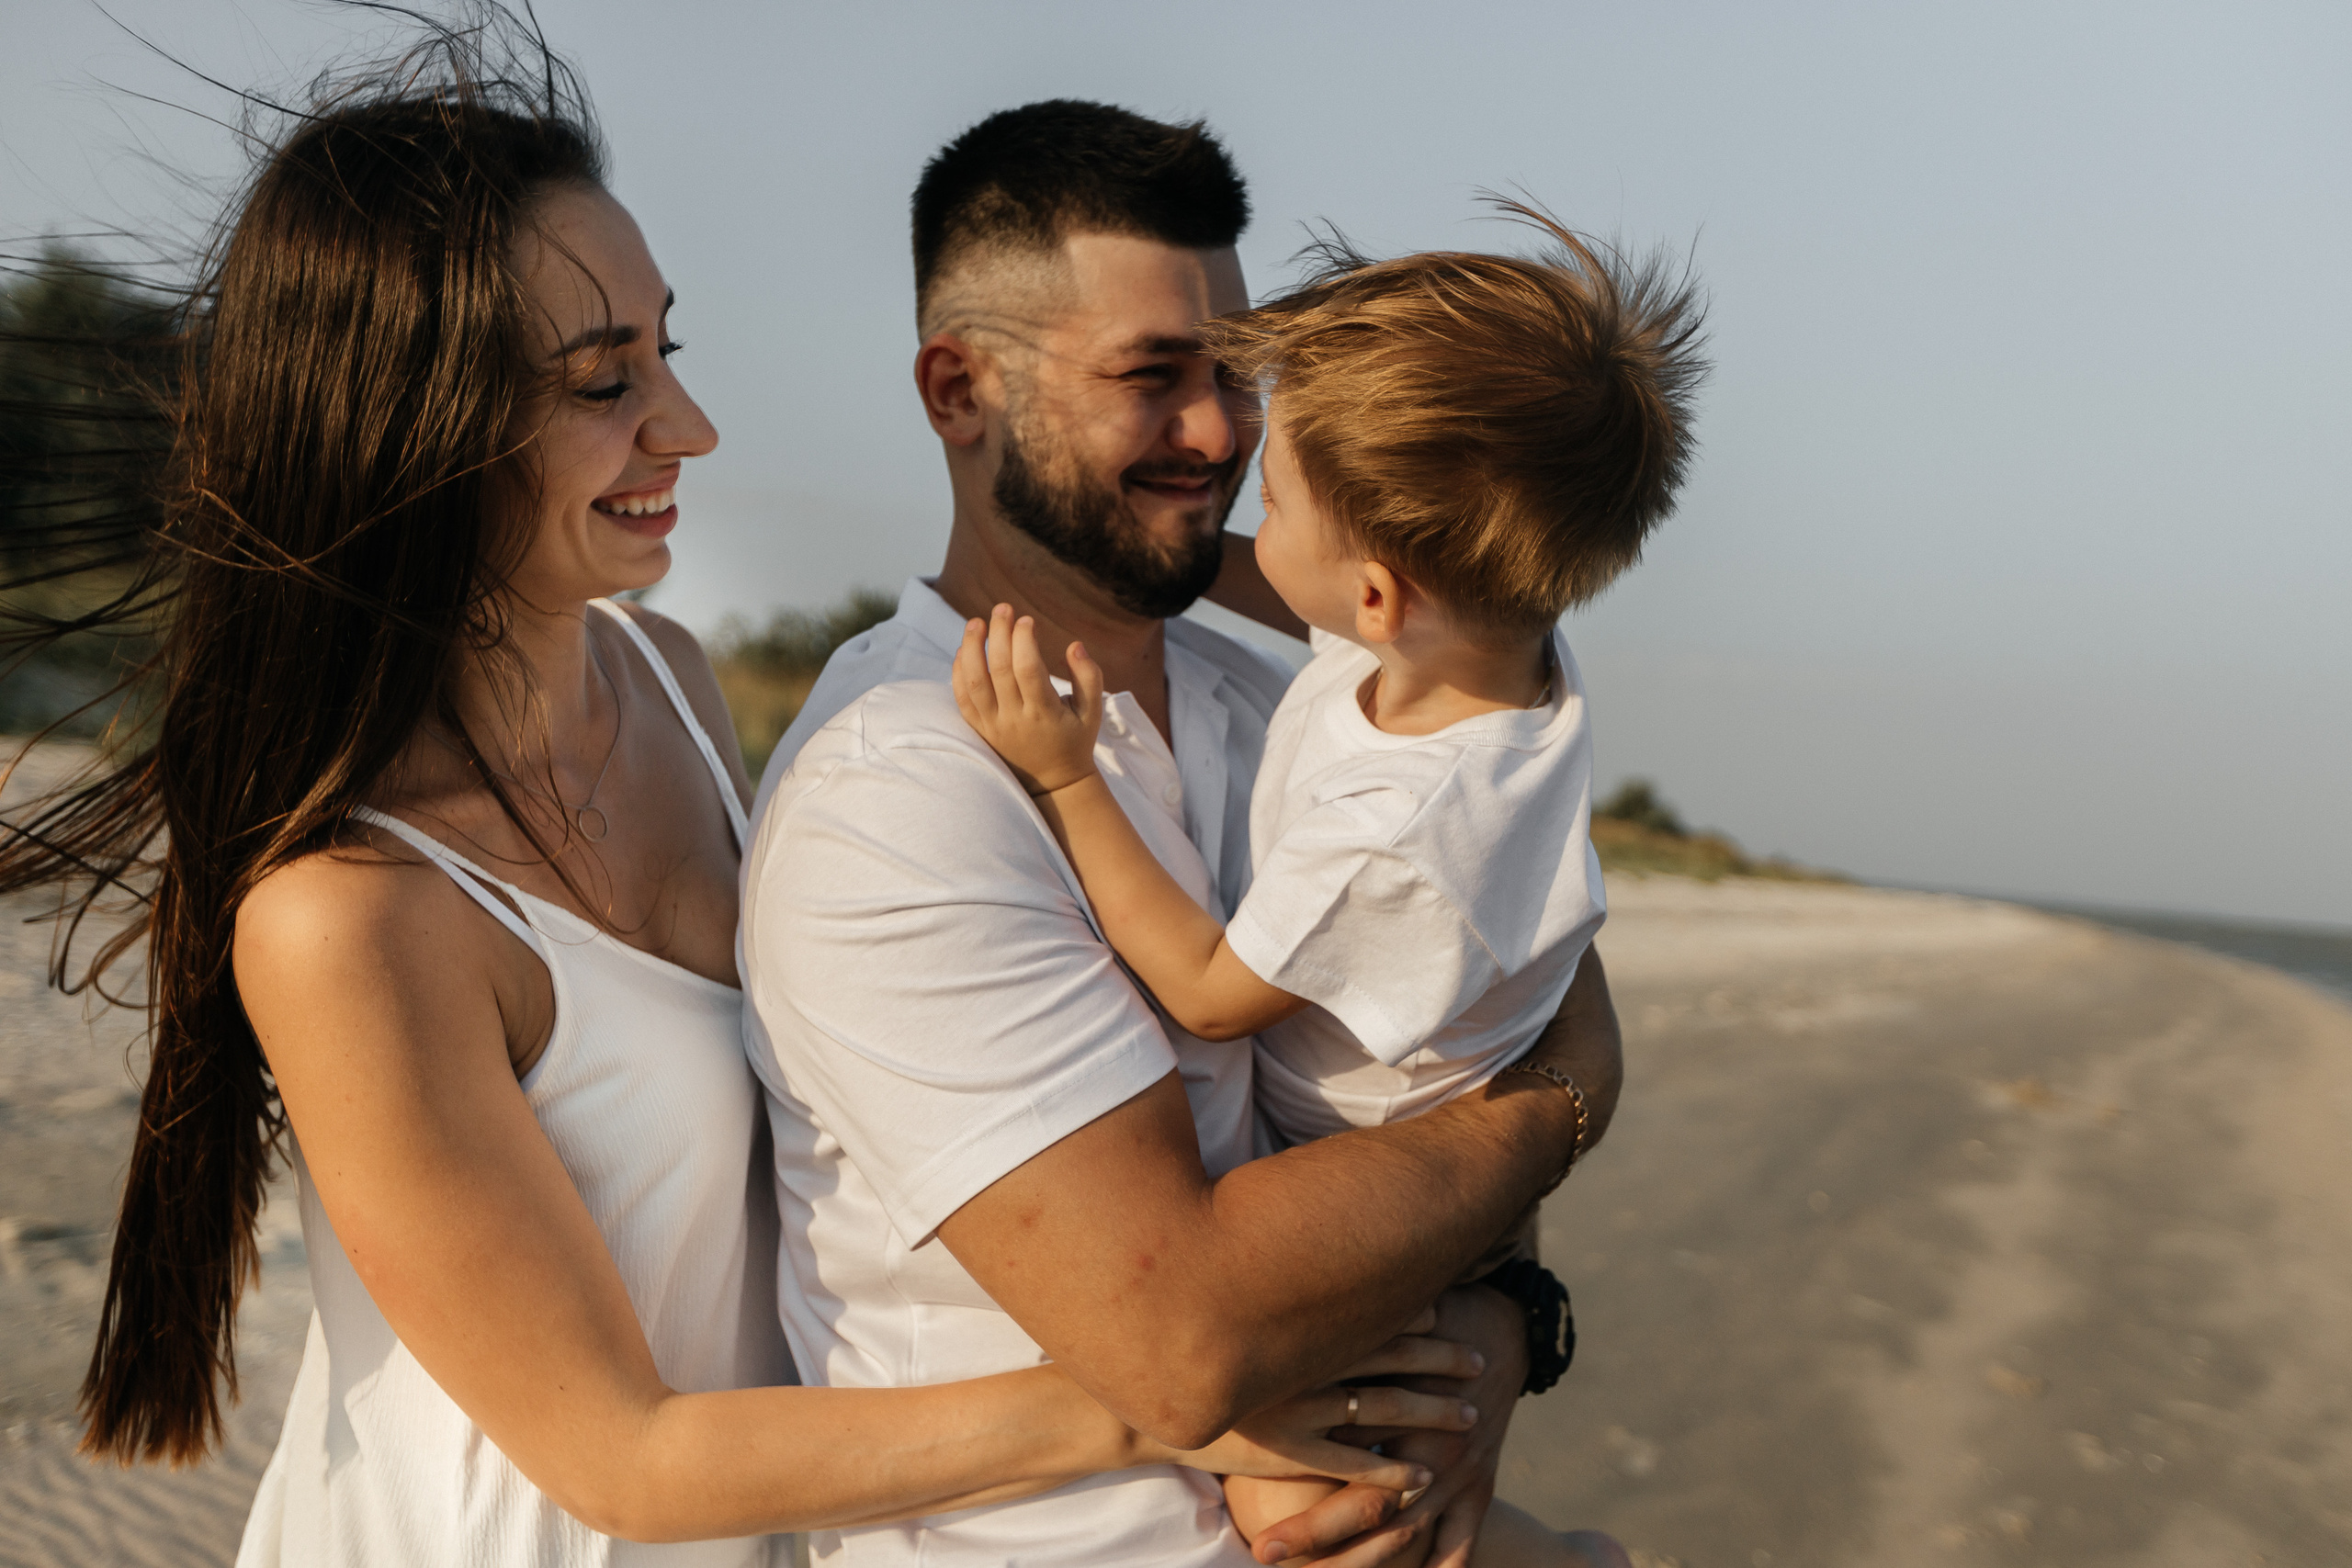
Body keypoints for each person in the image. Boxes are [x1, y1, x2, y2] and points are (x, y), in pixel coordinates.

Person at [0, 28, 1483, 1568]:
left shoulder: (672, 687)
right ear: (412, 428)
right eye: (602, 382)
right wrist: (1166, 1396)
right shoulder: (346, 921)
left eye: (666, 350)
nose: (684, 427)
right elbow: (623, 1459)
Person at [740, 101, 1630, 1568]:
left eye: (1235, 375)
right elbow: (1187, 1339)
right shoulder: (896, 791)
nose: (1221, 430)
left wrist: (1494, 1332)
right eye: (1152, 377)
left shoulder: (1289, 696)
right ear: (958, 389)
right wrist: (1567, 1103)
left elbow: (1467, 1016)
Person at [948, 209, 1708, 1562]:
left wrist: (1067, 778)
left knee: (1306, 1511)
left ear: (1375, 598)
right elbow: (1294, 577)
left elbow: (1208, 987)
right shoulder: (1494, 650)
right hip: (1451, 1119)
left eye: (1276, 499)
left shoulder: (1397, 826)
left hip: (1371, 1185)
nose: (1241, 491)